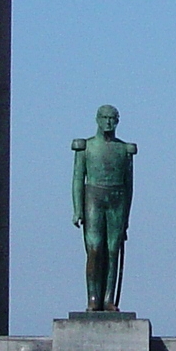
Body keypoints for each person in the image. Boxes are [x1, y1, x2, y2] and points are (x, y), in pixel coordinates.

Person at [71, 104, 136, 313]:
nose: (108, 122)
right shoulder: (86, 147)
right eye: (104, 118)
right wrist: (77, 209)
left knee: (112, 250)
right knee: (94, 249)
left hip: (117, 198)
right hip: (93, 196)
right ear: (97, 120)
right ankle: (93, 298)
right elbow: (77, 179)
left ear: (117, 121)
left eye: (112, 118)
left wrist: (126, 217)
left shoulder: (124, 149)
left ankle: (108, 299)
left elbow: (129, 185)